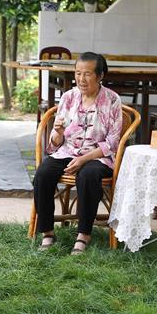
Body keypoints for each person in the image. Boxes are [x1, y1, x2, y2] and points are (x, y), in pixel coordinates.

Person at [33, 52, 122, 255]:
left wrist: (83, 159)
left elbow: (112, 143)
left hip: (97, 155)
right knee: (43, 174)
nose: (81, 79)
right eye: (78, 73)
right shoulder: (68, 98)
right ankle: (47, 232)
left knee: (88, 175)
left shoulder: (112, 100)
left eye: (87, 74)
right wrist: (57, 132)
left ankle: (83, 234)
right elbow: (56, 142)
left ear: (100, 76)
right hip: (68, 151)